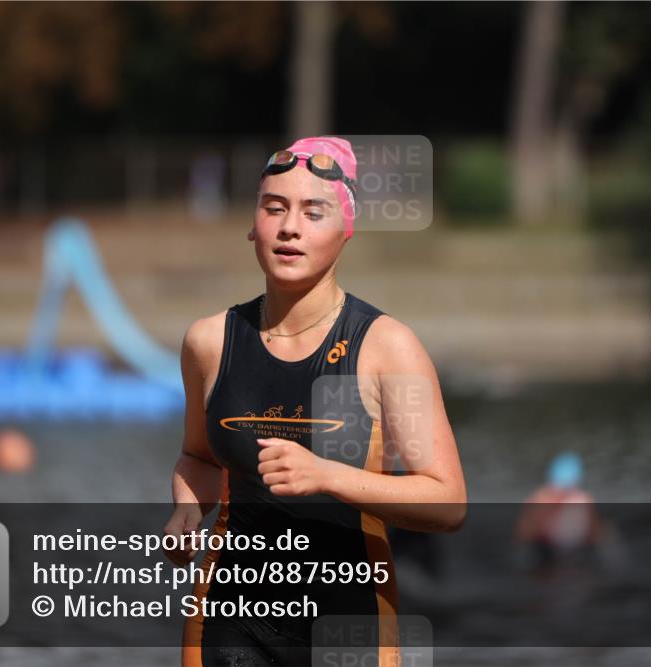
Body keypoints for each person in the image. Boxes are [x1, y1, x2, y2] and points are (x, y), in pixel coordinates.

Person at [164, 136, 467, 667]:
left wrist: (326, 476)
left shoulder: (387, 347)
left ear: (346, 229)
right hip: (227, 618)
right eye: (274, 208)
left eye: (313, 211)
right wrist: (187, 509)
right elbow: (199, 458)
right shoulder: (209, 342)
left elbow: (448, 502)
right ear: (252, 225)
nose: (290, 227)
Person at [514, 452, 601, 568]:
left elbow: (594, 532)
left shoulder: (582, 499)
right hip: (549, 551)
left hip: (566, 552)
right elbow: (525, 533)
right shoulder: (542, 497)